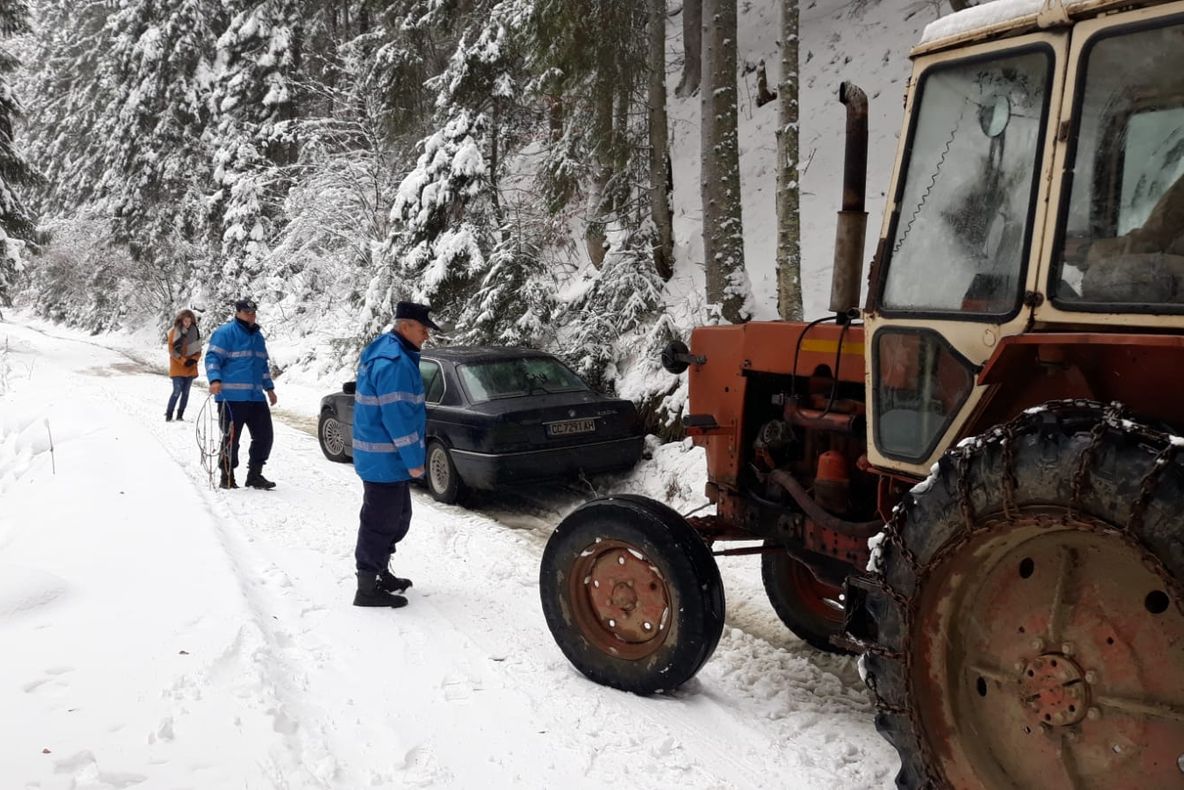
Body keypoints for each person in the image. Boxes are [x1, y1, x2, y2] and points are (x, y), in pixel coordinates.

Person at [351, 301, 438, 607]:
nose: (426, 334)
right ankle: (366, 588)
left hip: (386, 458)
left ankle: (380, 572)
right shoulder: (394, 362)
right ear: (405, 326)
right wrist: (414, 462)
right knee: (380, 522)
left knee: (398, 518)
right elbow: (397, 416)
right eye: (422, 328)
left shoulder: (391, 351)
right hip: (385, 458)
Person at [205, 298, 278, 490]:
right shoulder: (225, 333)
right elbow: (212, 358)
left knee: (265, 437)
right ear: (237, 312)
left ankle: (255, 475)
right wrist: (214, 379)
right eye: (247, 313)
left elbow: (262, 366)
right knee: (231, 439)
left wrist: (269, 388)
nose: (251, 316)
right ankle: (226, 477)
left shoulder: (258, 337)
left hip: (255, 398)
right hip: (231, 399)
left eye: (253, 313)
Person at [165, 309, 201, 421]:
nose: (187, 323)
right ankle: (169, 414)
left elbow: (198, 350)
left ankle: (180, 415)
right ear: (181, 321)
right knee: (177, 391)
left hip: (190, 368)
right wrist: (183, 361)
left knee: (186, 393)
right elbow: (172, 350)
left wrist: (194, 359)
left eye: (189, 321)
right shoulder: (174, 332)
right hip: (177, 367)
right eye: (185, 321)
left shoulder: (195, 332)